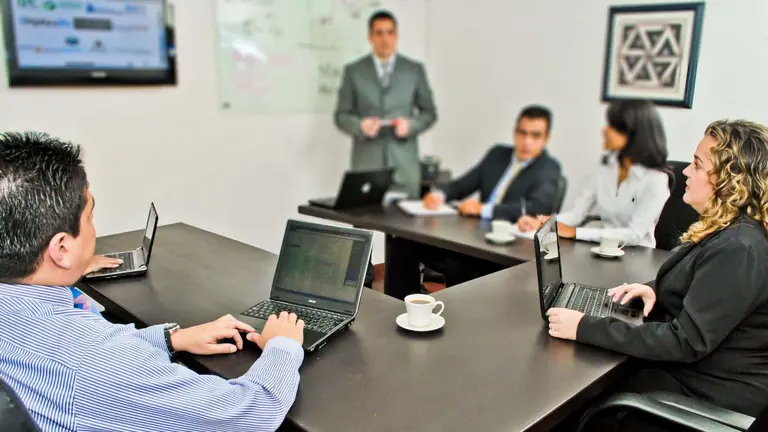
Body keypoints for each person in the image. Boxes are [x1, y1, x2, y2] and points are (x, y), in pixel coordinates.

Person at [0, 132, 305, 431]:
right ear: (62, 249)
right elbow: (249, 415)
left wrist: (171, 339)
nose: (94, 229)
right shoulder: (93, 357)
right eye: (90, 216)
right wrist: (283, 346)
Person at [547, 120, 768, 430]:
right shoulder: (731, 231)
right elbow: (705, 286)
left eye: (697, 164)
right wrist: (655, 289)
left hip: (705, 395)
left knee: (577, 397)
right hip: (697, 373)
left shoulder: (740, 247)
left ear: (732, 180)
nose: (686, 173)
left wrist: (584, 326)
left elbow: (685, 342)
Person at [518, 100, 671, 248]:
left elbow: (634, 234)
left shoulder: (656, 180)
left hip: (637, 256)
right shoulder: (606, 167)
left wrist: (576, 232)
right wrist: (545, 223)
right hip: (600, 250)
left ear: (632, 134)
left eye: (612, 126)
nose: (604, 130)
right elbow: (577, 214)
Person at [334, 9, 437, 199]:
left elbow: (429, 113)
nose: (385, 39)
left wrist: (411, 125)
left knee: (404, 226)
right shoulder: (354, 71)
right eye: (379, 33)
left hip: (404, 166)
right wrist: (360, 126)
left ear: (397, 35)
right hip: (367, 166)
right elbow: (341, 115)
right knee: (366, 224)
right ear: (370, 37)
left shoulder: (414, 70)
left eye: (390, 32)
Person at [423, 105, 562, 222]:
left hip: (511, 239)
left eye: (535, 135)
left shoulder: (549, 168)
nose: (527, 141)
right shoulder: (497, 154)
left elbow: (536, 208)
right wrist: (439, 195)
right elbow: (462, 185)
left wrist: (483, 210)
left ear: (546, 138)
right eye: (522, 133)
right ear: (514, 132)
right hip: (477, 230)